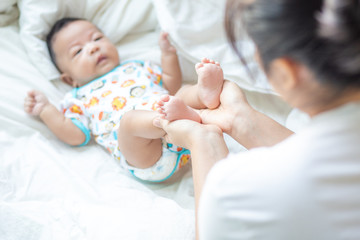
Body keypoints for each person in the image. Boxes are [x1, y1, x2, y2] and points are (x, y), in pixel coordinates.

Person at [153, 0, 360, 239]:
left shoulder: (238, 190)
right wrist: (240, 120)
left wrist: (203, 142)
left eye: (255, 47)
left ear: (286, 73)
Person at [23, 17, 224, 182]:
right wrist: (45, 109)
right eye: (78, 51)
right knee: (129, 121)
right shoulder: (77, 98)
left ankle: (202, 93)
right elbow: (75, 135)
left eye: (97, 38)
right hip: (148, 156)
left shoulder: (137, 66)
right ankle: (175, 119)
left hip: (179, 126)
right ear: (69, 79)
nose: (92, 48)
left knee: (181, 92)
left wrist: (168, 54)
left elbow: (170, 83)